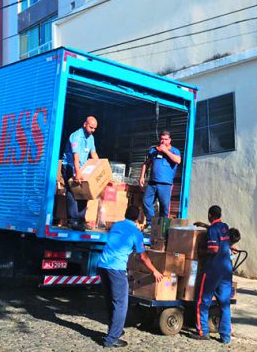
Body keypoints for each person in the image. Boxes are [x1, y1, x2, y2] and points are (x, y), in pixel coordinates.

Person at [97, 205, 163, 348]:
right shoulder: (135, 232)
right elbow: (143, 256)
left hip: (103, 265)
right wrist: (155, 271)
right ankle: (112, 338)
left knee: (111, 301)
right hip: (117, 269)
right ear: (138, 217)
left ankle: (115, 330)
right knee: (121, 304)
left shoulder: (116, 225)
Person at [192, 205, 234, 344]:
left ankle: (203, 331)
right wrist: (205, 226)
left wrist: (201, 252)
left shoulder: (212, 230)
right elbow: (219, 236)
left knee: (203, 301)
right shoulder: (225, 227)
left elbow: (214, 249)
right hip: (226, 269)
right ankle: (225, 336)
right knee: (224, 303)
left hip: (213, 269)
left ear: (210, 215)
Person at [62, 116, 99, 230]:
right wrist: (77, 172)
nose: (92, 130)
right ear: (84, 124)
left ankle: (81, 220)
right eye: (91, 127)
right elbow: (75, 157)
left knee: (85, 192)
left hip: (82, 167)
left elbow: (94, 154)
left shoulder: (91, 138)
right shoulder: (76, 136)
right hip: (70, 166)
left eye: (94, 128)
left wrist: (99, 168)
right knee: (73, 192)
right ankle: (73, 220)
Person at [139, 130, 181, 227]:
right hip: (152, 183)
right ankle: (151, 223)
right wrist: (141, 177)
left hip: (165, 184)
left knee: (164, 207)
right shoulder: (154, 150)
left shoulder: (174, 151)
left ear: (170, 140)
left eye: (165, 139)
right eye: (162, 139)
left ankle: (162, 228)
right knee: (146, 201)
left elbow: (178, 160)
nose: (163, 141)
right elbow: (146, 164)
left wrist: (165, 151)